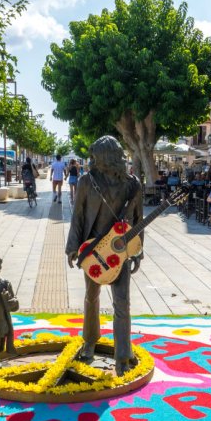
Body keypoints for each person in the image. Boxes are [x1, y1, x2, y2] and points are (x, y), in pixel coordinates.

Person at [66, 136, 143, 376]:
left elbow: (138, 222)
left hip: (120, 252)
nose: (92, 161)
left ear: (107, 157)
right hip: (92, 251)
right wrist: (72, 247)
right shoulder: (87, 182)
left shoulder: (132, 185)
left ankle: (122, 356)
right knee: (91, 297)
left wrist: (138, 252)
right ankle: (90, 340)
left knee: (122, 303)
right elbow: (77, 216)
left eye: (96, 156)